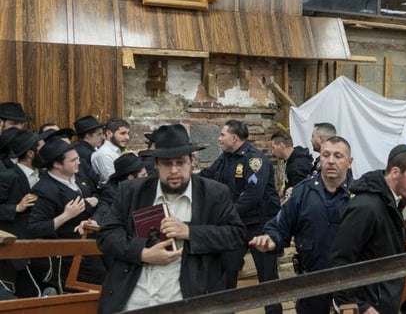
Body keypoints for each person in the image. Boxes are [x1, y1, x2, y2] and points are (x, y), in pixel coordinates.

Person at [96, 124, 245, 313]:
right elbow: (106, 235)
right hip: (133, 300)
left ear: (192, 161)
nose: (174, 170)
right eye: (167, 163)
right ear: (156, 164)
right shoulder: (132, 192)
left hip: (187, 299)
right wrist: (142, 253)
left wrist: (189, 232)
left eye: (180, 162)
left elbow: (236, 234)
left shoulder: (214, 194)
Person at [250, 136, 354, 314]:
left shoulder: (360, 196)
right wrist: (271, 239)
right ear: (319, 157)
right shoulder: (302, 193)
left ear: (349, 162)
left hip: (351, 288)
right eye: (326, 155)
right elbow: (279, 226)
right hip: (311, 286)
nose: (330, 161)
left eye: (338, 156)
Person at [329, 144, 406, 314]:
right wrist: (360, 305)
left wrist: (402, 231)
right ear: (395, 172)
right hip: (368, 305)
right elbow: (340, 261)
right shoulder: (366, 207)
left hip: (383, 301)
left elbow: (377, 243)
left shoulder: (390, 201)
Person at [199, 119, 281, 314]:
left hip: (258, 226)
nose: (219, 139)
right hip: (236, 226)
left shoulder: (255, 160)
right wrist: (187, 177)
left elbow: (253, 194)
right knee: (227, 273)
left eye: (222, 135)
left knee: (267, 278)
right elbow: (208, 175)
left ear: (234, 138)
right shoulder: (225, 157)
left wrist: (228, 213)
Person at [28, 137, 105, 287]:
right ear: (57, 164)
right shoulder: (45, 190)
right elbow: (34, 228)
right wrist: (66, 215)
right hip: (73, 253)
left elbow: (98, 194)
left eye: (78, 158)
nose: (78, 162)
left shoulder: (79, 175)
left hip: (96, 240)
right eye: (73, 160)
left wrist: (94, 201)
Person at [0, 130, 47, 297]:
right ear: (30, 153)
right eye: (42, 149)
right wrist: (16, 208)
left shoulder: (42, 175)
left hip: (38, 246)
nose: (46, 153)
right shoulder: (8, 177)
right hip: (14, 250)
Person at [93, 152, 147, 224]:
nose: (147, 178)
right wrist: (94, 221)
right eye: (143, 175)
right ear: (131, 178)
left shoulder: (148, 185)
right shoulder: (112, 191)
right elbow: (104, 208)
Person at [269, 129, 313, 198]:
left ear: (281, 146)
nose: (272, 152)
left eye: (273, 148)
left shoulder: (297, 166)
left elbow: (300, 196)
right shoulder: (291, 160)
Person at [91, 117, 131, 186]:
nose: (127, 137)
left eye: (128, 133)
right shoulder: (104, 154)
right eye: (122, 133)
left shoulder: (117, 151)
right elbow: (112, 182)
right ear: (109, 133)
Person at [71, 115, 105, 191]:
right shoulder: (87, 153)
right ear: (88, 135)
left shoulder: (77, 147)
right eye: (99, 134)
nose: (102, 137)